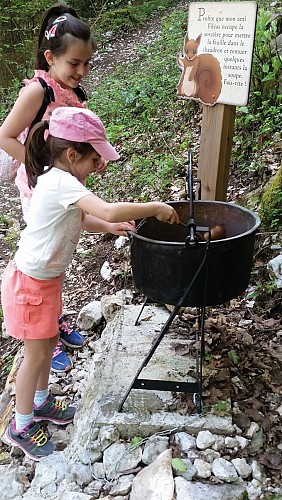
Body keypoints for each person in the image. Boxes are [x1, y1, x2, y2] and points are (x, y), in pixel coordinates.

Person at [1, 106, 179, 460]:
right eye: (93, 158)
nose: (98, 166)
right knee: (35, 356)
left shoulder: (62, 180)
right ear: (72, 154)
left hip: (45, 280)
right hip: (29, 285)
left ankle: (40, 403)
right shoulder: (59, 180)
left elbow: (80, 218)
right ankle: (19, 426)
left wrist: (108, 228)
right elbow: (108, 209)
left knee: (49, 340)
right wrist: (154, 207)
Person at [0, 3, 101, 372]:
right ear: (50, 57)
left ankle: (52, 322)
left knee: (61, 249)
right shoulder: (36, 91)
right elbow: (6, 135)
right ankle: (40, 337)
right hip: (39, 186)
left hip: (65, 182)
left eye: (87, 63)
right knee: (43, 254)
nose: (82, 71)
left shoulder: (76, 93)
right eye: (74, 63)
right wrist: (41, 170)